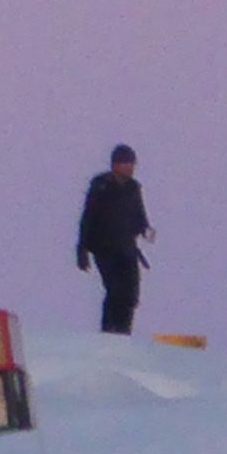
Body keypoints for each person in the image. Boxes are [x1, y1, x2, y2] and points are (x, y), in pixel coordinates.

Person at [76, 144, 156, 335]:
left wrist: (145, 230)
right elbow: (88, 218)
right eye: (126, 163)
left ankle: (123, 332)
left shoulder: (134, 189)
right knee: (115, 289)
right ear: (115, 165)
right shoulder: (101, 186)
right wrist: (82, 250)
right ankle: (109, 332)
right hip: (104, 248)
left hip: (127, 248)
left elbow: (139, 216)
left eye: (132, 163)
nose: (130, 167)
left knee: (131, 293)